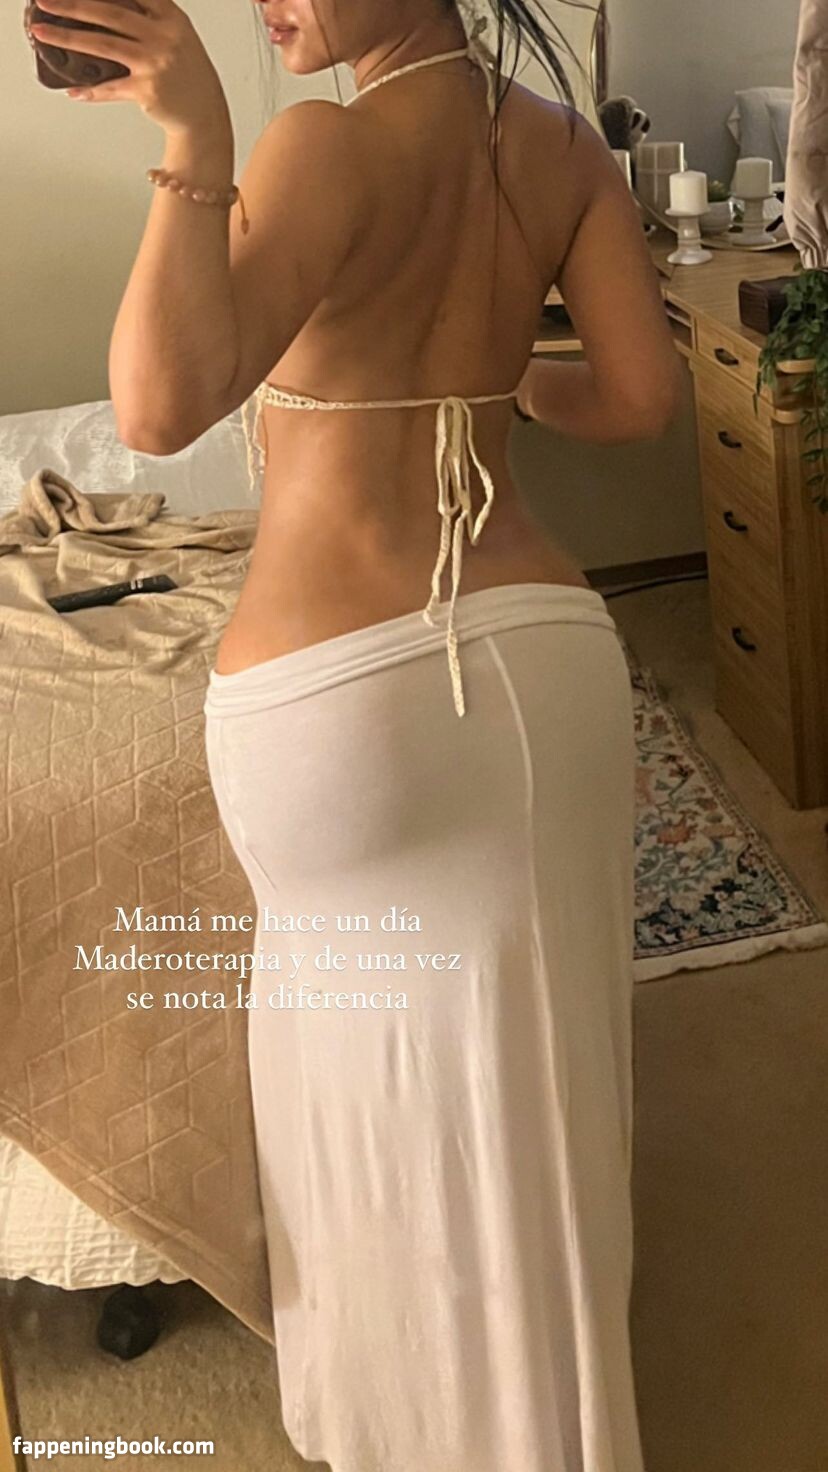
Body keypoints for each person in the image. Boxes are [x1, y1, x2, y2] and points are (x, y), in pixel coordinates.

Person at [38, 0, 682, 1463]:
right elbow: (641, 396)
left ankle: (408, 1425)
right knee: (542, 1066)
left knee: (360, 1083)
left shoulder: (320, 147)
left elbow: (157, 406)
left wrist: (198, 140)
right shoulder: (564, 148)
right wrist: (500, 381)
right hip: (552, 657)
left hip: (347, 695)